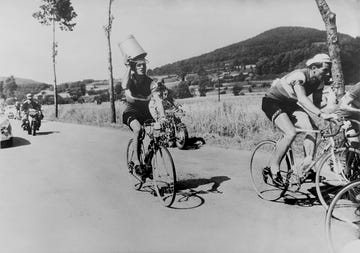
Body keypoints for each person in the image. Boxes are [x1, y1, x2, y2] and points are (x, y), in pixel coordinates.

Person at [261, 53, 336, 185]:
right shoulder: (300, 76)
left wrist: (331, 109)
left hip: (290, 105)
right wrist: (321, 114)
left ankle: (307, 167)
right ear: (313, 68)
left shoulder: (320, 82)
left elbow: (317, 105)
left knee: (312, 130)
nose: (328, 74)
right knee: (290, 133)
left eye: (329, 71)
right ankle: (273, 169)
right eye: (325, 70)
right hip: (272, 102)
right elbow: (302, 98)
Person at [122, 57, 166, 178]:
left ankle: (147, 160)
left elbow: (158, 100)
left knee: (158, 135)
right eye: (138, 65)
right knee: (138, 129)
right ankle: (137, 163)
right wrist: (127, 68)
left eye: (143, 65)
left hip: (145, 113)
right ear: (134, 68)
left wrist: (162, 117)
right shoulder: (131, 80)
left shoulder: (150, 82)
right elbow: (124, 85)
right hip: (131, 112)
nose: (142, 67)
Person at [336, 82, 360, 148]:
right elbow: (343, 106)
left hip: (357, 116)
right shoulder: (358, 88)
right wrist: (358, 111)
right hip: (345, 115)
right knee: (355, 143)